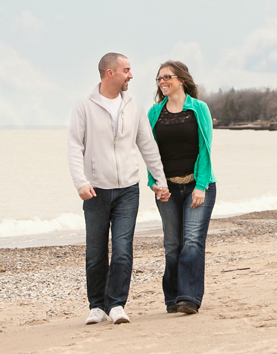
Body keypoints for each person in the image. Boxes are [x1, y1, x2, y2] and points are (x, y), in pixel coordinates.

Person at [67, 52, 170, 325]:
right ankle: (97, 306)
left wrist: (160, 181)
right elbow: (75, 146)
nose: (131, 75)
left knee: (123, 249)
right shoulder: (84, 106)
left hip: (127, 189)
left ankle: (116, 305)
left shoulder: (133, 105)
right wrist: (80, 182)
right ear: (110, 73)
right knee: (96, 251)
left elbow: (147, 144)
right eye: (126, 70)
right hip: (95, 190)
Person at [148, 60, 216, 315]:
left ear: (182, 80)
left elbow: (205, 150)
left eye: (167, 77)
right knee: (172, 244)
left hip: (198, 186)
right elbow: (150, 151)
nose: (162, 82)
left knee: (191, 241)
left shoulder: (199, 109)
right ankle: (173, 297)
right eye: (159, 78)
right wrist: (156, 183)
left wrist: (200, 186)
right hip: (167, 190)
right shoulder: (154, 113)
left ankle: (189, 297)